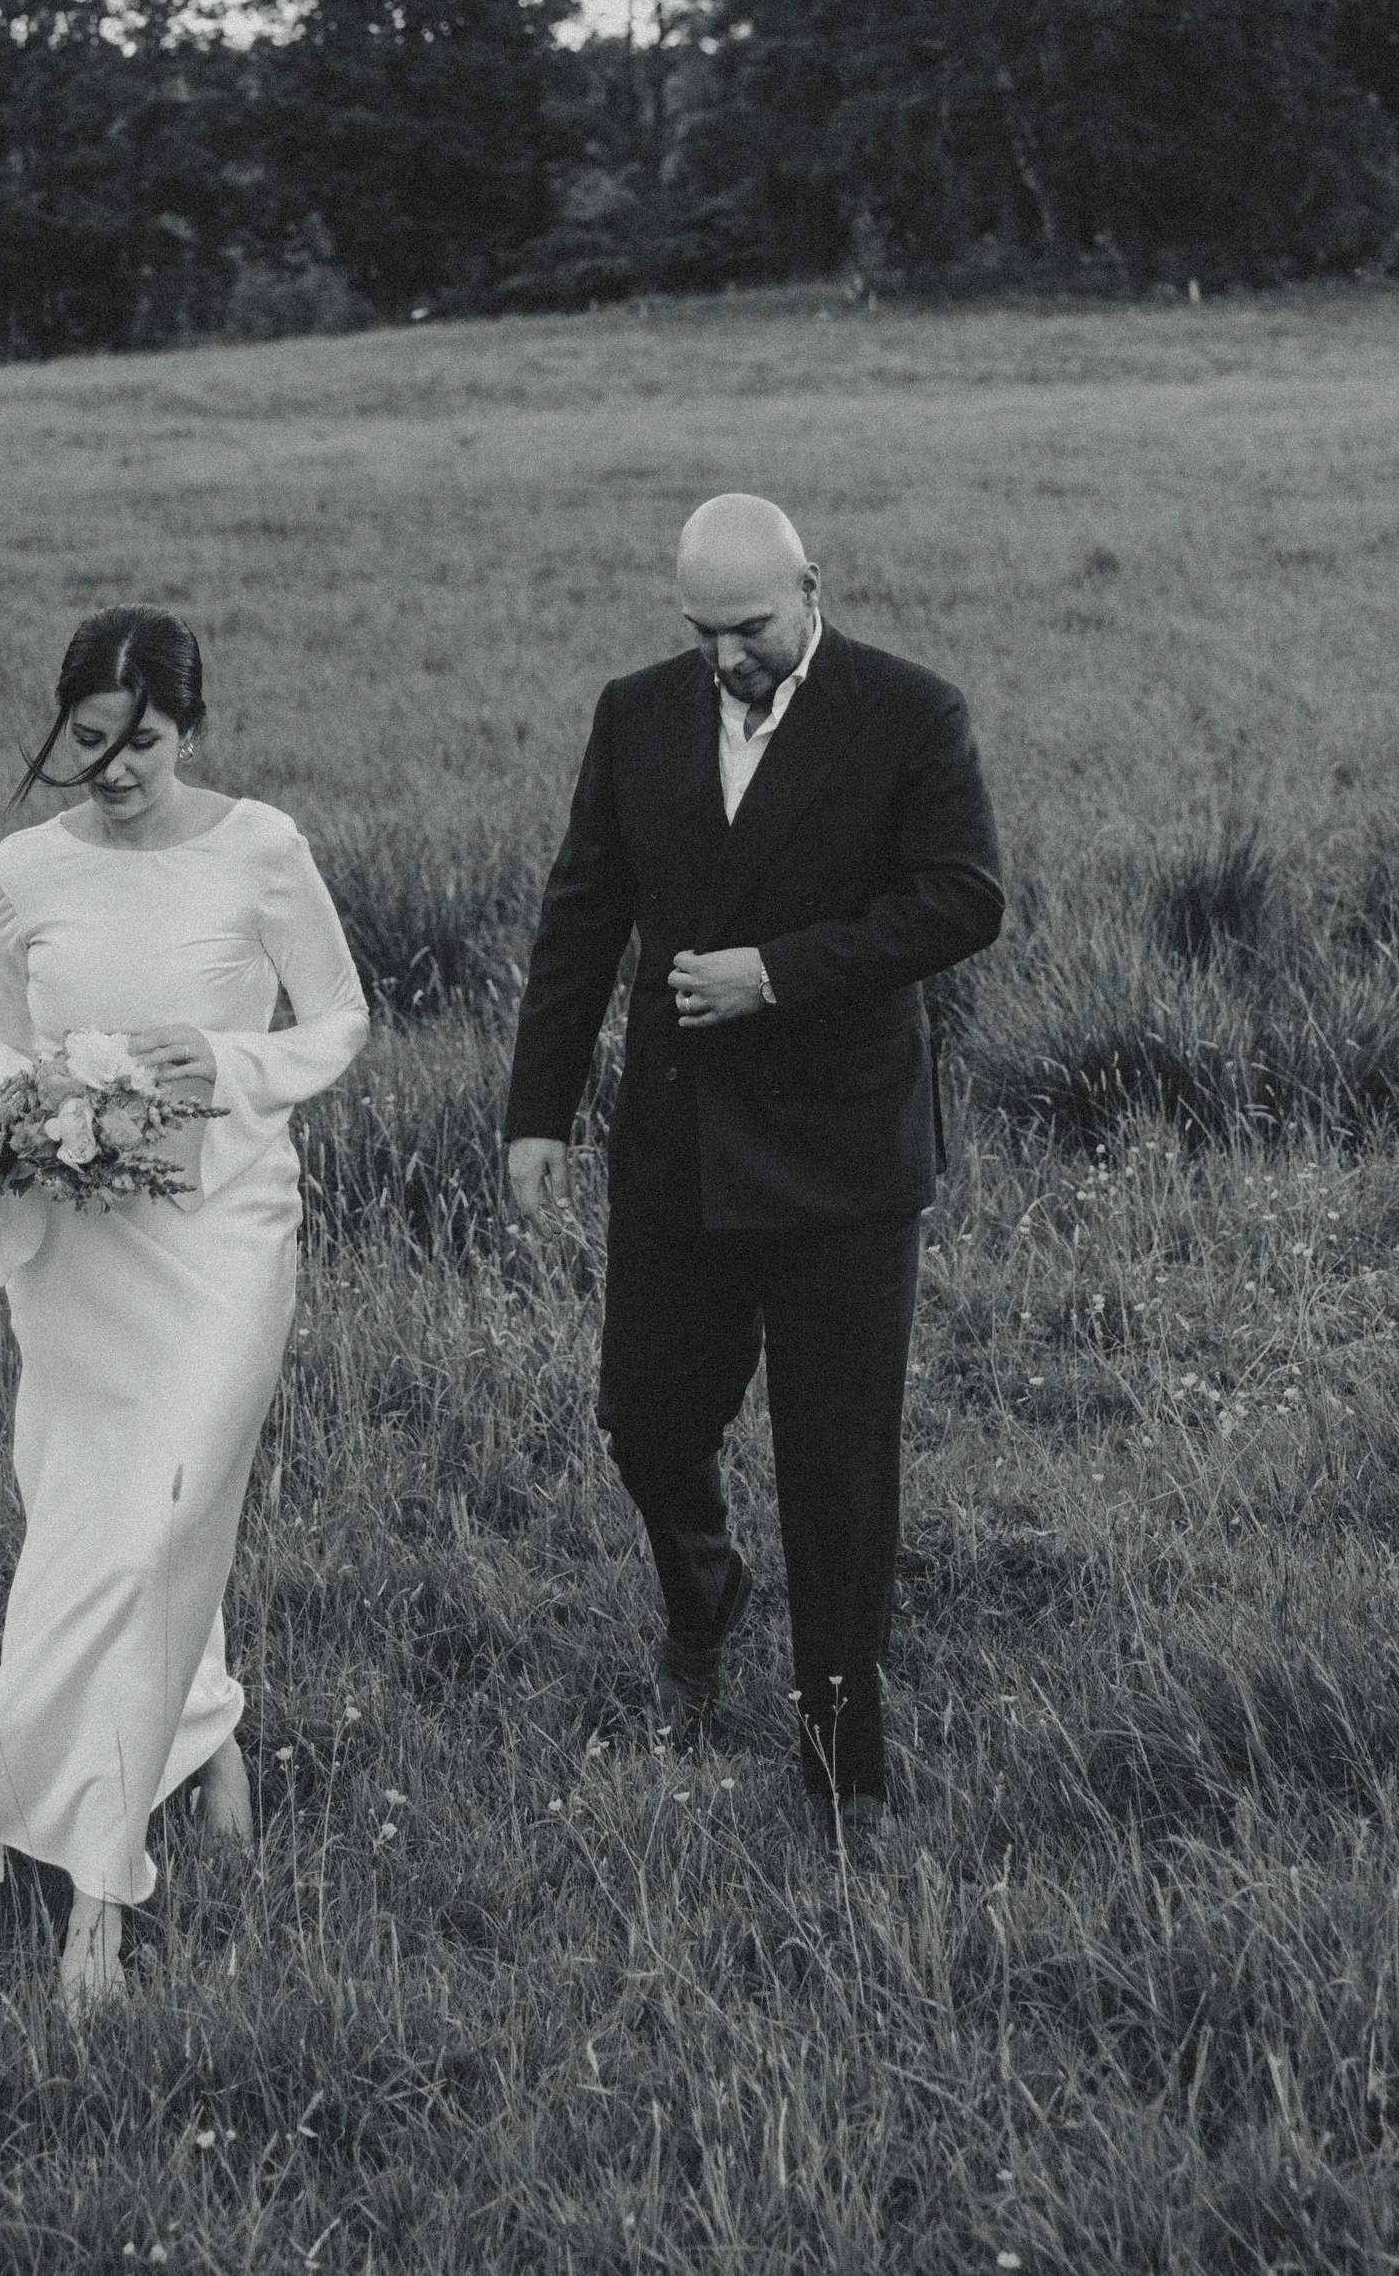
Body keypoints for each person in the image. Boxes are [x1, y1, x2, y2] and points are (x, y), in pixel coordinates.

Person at [0, 606, 368, 2010]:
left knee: (159, 1523)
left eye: (141, 740)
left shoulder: (261, 846)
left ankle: (100, 1893)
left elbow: (337, 1022)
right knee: (96, 1528)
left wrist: (223, 1061)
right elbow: (3, 1044)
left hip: (221, 1239)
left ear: (189, 728)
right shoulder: (19, 870)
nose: (115, 767)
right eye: (87, 739)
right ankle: (201, 1724)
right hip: (79, 1253)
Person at [502, 494, 1002, 1834]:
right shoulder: (636, 713)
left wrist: (777, 973)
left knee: (838, 1467)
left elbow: (964, 897)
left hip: (845, 1159)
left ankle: (843, 1761)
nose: (725, 656)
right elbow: (581, 914)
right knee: (648, 1421)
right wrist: (535, 1112)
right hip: (678, 1149)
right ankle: (704, 1593)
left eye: (749, 628)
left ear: (811, 591)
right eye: (702, 630)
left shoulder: (910, 713)